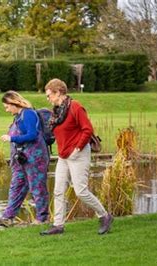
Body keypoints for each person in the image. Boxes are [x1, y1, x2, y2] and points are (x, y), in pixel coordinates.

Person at [40, 79, 113, 235]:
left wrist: (77, 148)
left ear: (58, 92)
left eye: (49, 95)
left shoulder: (75, 107)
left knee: (80, 191)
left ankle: (105, 216)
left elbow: (87, 130)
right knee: (58, 190)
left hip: (78, 154)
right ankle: (58, 225)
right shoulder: (57, 110)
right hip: (63, 156)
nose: (48, 99)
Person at [0, 90, 50, 227]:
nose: (6, 110)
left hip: (35, 159)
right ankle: (7, 218)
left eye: (7, 106)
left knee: (37, 188)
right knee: (16, 187)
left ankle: (42, 219)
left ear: (13, 103)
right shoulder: (18, 116)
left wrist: (12, 138)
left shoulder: (28, 114)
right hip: (22, 159)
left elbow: (32, 135)